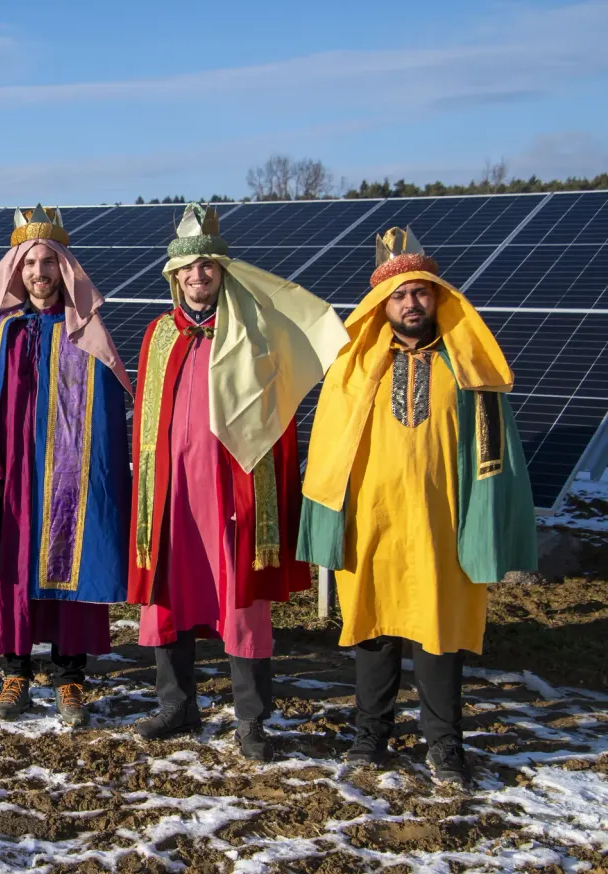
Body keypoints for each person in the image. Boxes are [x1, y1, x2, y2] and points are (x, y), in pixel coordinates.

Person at [298, 226, 537, 788]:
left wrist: (488, 527)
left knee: (440, 635)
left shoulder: (469, 371)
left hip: (441, 527)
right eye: (399, 295)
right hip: (372, 526)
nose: (410, 303)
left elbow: (492, 459)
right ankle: (369, 735)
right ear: (381, 305)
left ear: (438, 298)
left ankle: (445, 745)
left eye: (421, 292)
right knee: (373, 632)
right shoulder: (355, 372)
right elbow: (330, 456)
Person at [128, 204, 348, 759]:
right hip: (173, 493)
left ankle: (251, 718)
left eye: (206, 268)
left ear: (222, 272)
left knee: (242, 601)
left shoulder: (252, 331)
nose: (197, 278)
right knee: (168, 596)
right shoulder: (158, 334)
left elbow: (277, 408)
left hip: (233, 490)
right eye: (187, 271)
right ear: (174, 278)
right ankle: (177, 704)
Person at [0, 205, 133, 727]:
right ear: (16, 271)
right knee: (13, 568)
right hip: (14, 476)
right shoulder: (2, 329)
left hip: (69, 476)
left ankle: (70, 675)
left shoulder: (86, 333)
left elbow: (103, 416)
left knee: (71, 561)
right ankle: (17, 669)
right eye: (28, 264)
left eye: (47, 263)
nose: (38, 274)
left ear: (64, 270)